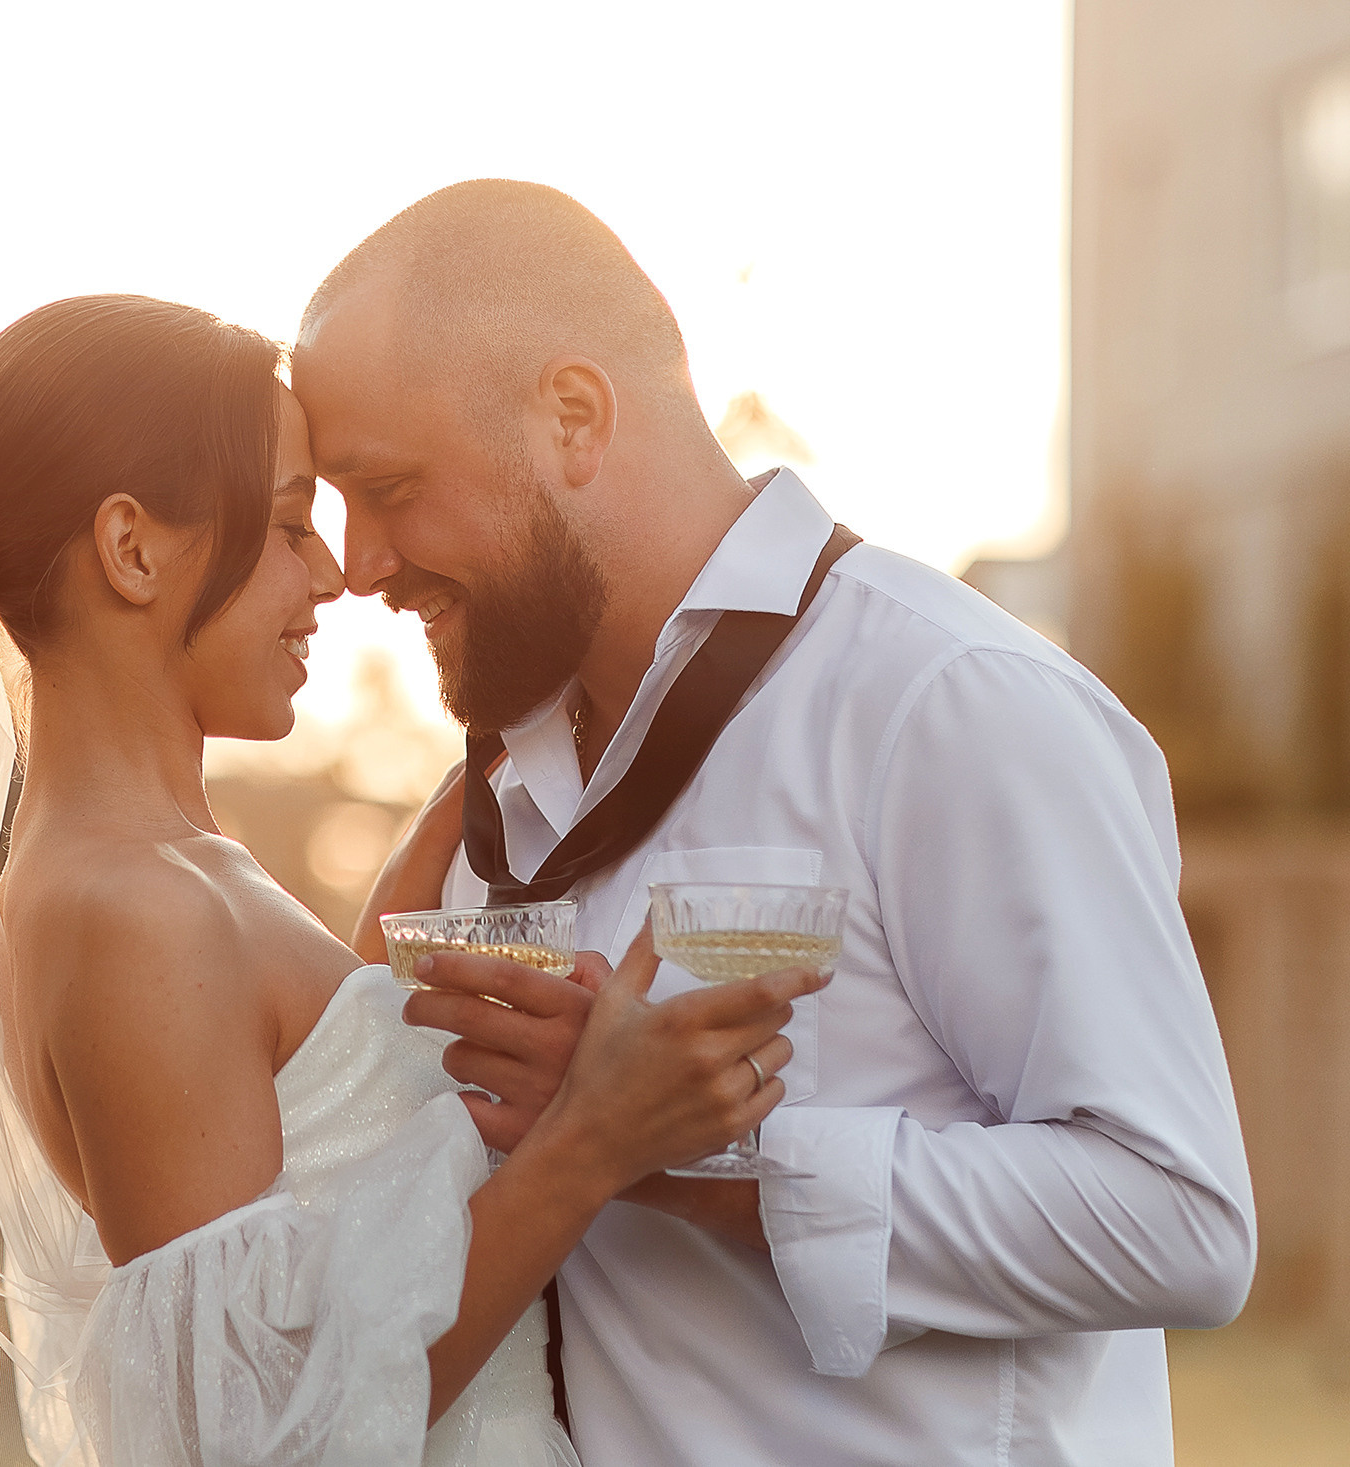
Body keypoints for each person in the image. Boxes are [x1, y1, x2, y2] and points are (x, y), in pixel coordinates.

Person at [0, 293, 820, 1467]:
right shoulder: (123, 910)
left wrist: (474, 780)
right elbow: (255, 1428)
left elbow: (299, 1120)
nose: (333, 575)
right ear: (131, 548)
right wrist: (593, 1143)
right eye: (289, 525)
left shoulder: (160, 872)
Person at [294, 180, 1257, 1467]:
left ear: (572, 417)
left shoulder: (946, 702)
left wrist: (687, 1157)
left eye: (389, 485)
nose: (357, 563)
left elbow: (1181, 1223)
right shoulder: (483, 805)